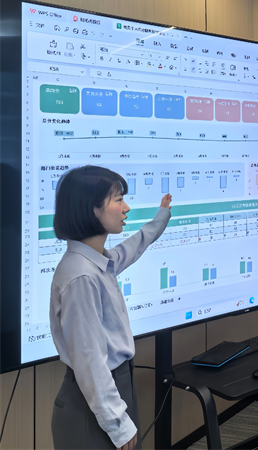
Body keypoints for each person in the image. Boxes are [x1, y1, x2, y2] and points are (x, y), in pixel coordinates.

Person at [50, 166, 172, 450]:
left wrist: (161, 217)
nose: (126, 208)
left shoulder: (98, 261)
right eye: (118, 200)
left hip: (113, 390)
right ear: (92, 209)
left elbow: (134, 246)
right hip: (94, 401)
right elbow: (90, 360)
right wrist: (117, 424)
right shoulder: (81, 276)